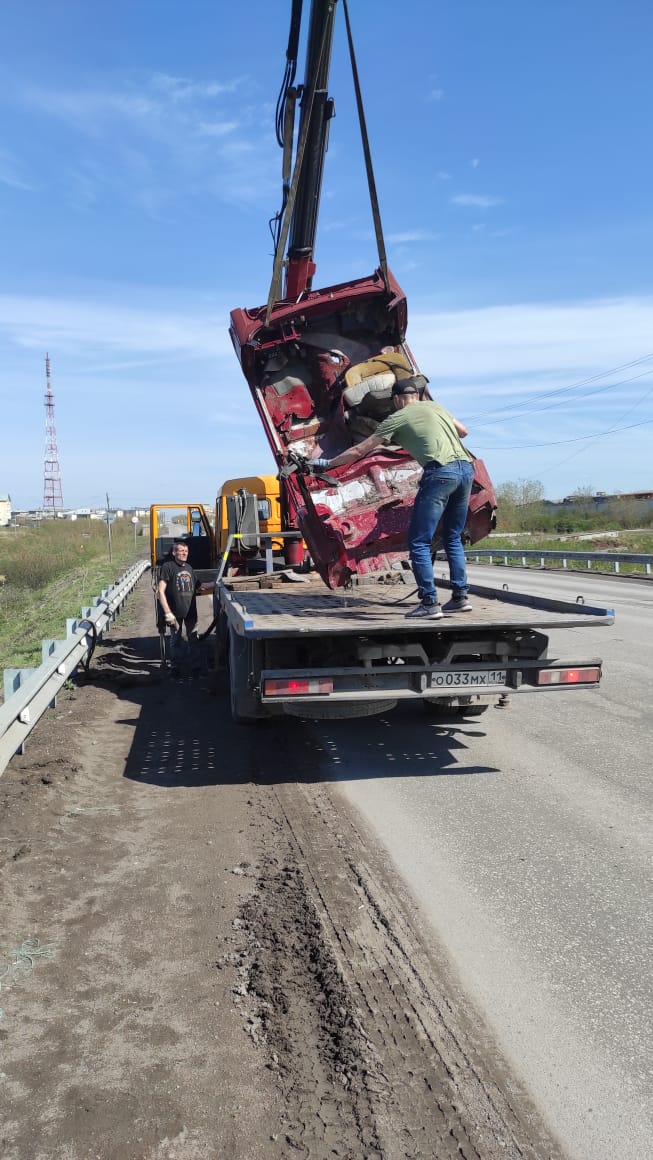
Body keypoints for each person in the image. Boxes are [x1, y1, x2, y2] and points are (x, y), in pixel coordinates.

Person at [310, 378, 475, 619]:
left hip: (440, 473)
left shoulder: (398, 417)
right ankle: (460, 597)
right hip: (465, 470)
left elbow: (359, 450)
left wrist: (326, 463)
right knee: (452, 537)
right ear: (417, 395)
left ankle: (430, 603)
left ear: (397, 400)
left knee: (419, 542)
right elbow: (463, 431)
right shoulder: (436, 407)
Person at [157, 539, 200, 674]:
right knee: (175, 641)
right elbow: (160, 591)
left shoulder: (189, 568)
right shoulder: (168, 567)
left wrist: (218, 583)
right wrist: (168, 613)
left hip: (190, 613)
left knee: (193, 639)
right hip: (174, 613)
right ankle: (176, 668)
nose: (184, 553)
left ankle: (195, 667)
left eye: (186, 551)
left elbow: (200, 586)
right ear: (174, 552)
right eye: (181, 551)